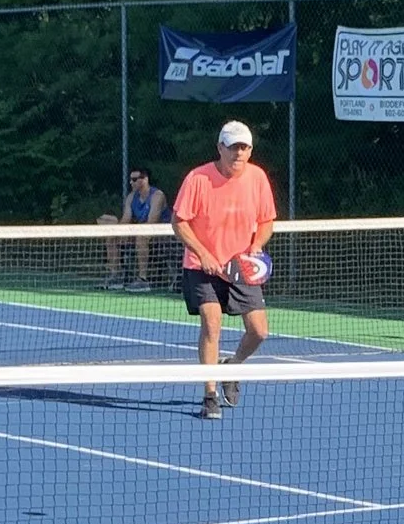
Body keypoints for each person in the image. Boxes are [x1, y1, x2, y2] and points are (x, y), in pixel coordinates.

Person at [171, 119, 276, 415]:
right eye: (232, 147)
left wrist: (257, 244)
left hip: (241, 267)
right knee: (212, 323)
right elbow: (179, 222)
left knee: (259, 332)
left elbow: (267, 220)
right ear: (220, 148)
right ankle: (209, 395)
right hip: (202, 266)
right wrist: (202, 252)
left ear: (250, 150)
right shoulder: (198, 179)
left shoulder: (257, 178)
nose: (238, 153)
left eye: (244, 147)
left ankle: (232, 367)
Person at [103, 162, 168, 289]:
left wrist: (133, 231)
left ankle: (143, 279)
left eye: (134, 179)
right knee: (112, 237)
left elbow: (152, 222)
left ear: (145, 180)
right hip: (140, 230)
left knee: (141, 237)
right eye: (130, 180)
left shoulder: (157, 196)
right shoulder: (131, 197)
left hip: (162, 233)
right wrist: (117, 231)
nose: (131, 183)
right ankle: (116, 276)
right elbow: (126, 219)